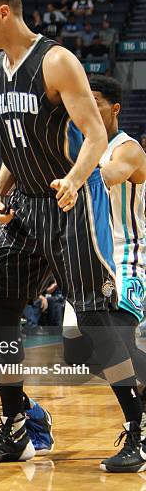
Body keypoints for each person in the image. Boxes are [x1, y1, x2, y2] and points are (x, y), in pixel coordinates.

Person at [0, 0, 145, 472]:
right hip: (26, 206)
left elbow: (91, 135)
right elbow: (15, 140)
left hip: (69, 204)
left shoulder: (57, 61)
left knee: (93, 320)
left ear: (5, 12)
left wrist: (74, 178)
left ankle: (139, 428)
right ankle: (17, 426)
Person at [64, 75, 146, 410]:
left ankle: (135, 423)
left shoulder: (129, 149)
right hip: (90, 262)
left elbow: (110, 175)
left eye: (94, 100)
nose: (86, 106)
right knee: (77, 354)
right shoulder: (79, 149)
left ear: (114, 109)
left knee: (116, 338)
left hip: (126, 259)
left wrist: (74, 171)